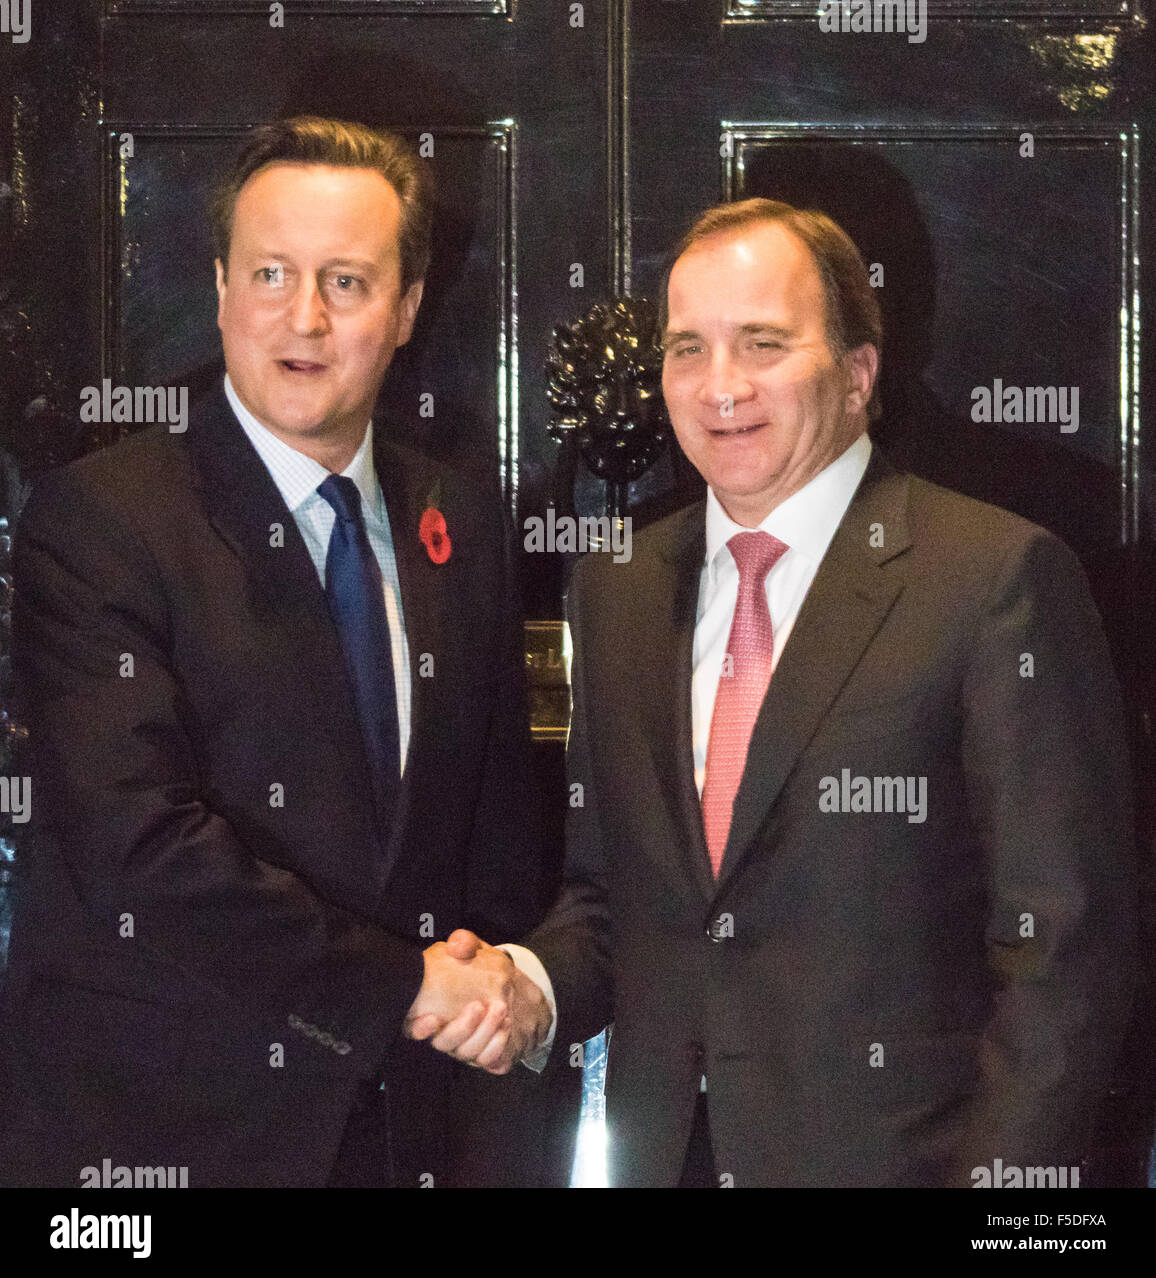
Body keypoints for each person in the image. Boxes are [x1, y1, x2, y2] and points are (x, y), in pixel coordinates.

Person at [413, 197, 1139, 1187]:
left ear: (857, 372)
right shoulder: (617, 586)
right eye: (686, 349)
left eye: (762, 343)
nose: (719, 388)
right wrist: (526, 986)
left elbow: (1064, 952)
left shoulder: (993, 576)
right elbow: (615, 903)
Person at [0, 116, 550, 1188]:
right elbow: (138, 843)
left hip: (406, 1135)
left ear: (405, 308)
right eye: (270, 273)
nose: (303, 317)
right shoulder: (101, 520)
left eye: (346, 281)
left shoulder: (461, 519)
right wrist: (403, 986)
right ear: (218, 288)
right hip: (158, 1144)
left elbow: (495, 834)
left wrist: (511, 988)